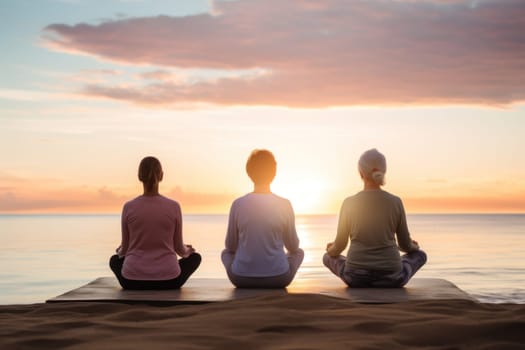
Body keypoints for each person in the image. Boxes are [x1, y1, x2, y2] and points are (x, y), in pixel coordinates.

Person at [323, 149, 427, 288]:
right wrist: (414, 246)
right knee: (420, 255)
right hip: (392, 278)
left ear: (360, 173)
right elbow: (405, 246)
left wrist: (331, 250)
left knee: (327, 258)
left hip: (355, 277)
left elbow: (340, 246)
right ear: (384, 172)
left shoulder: (349, 203)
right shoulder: (395, 202)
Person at [109, 156, 201, 290]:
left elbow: (125, 249)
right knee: (196, 257)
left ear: (139, 176)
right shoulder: (174, 206)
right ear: (161, 176)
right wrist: (188, 250)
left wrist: (119, 250)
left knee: (114, 260)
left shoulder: (128, 207)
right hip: (169, 281)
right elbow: (179, 249)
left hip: (132, 281)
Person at [222, 149, 304, 288]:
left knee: (225, 253)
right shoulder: (285, 204)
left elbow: (230, 246)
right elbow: (293, 246)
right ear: (273, 173)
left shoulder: (238, 204)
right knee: (299, 253)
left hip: (241, 279)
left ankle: (247, 267)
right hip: (278, 278)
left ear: (249, 173)